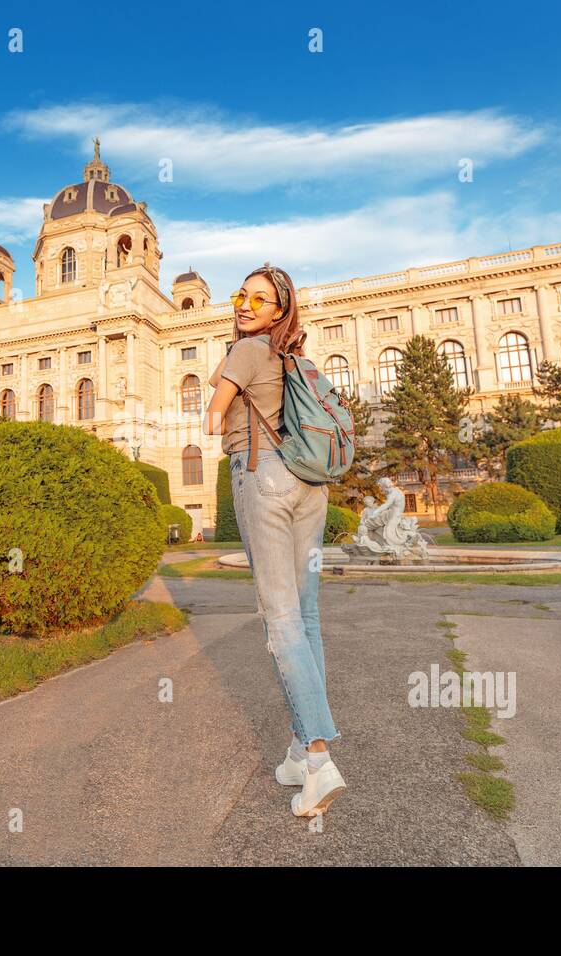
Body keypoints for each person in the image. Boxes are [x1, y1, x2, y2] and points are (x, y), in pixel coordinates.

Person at [203, 263, 345, 818]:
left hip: (261, 476)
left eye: (259, 300)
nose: (245, 306)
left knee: (280, 619)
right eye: (242, 296)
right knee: (306, 619)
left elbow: (215, 418)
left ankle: (318, 760)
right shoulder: (298, 360)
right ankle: (296, 749)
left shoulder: (246, 349)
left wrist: (218, 406)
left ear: (279, 312)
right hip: (310, 486)